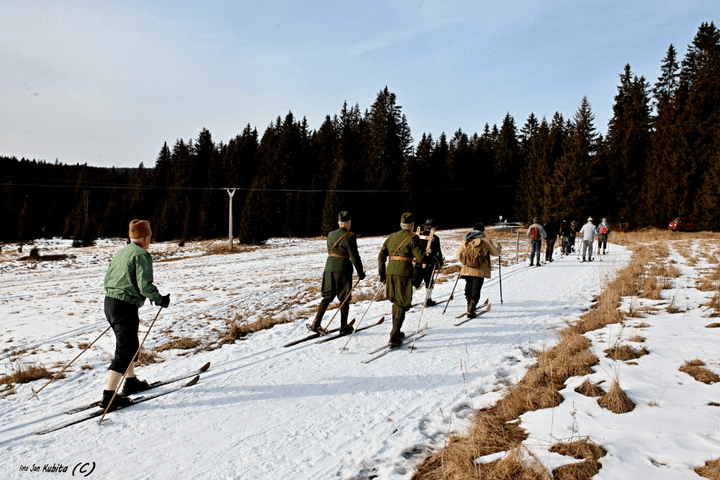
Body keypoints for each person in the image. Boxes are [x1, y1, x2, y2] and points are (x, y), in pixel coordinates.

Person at [102, 220, 170, 410]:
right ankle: (109, 396)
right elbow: (144, 286)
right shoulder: (142, 255)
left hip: (110, 303)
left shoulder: (122, 252)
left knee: (128, 344)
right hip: (124, 306)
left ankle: (130, 382)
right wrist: (159, 299)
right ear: (146, 238)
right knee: (126, 349)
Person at [378, 213, 437, 346]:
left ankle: (397, 331)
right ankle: (393, 335)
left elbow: (381, 255)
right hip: (403, 273)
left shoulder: (392, 236)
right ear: (412, 226)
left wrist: (382, 275)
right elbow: (420, 257)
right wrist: (433, 261)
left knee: (396, 302)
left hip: (390, 272)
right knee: (402, 303)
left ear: (401, 224)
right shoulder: (412, 237)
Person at [307, 211, 365, 335]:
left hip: (329, 267)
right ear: (348, 223)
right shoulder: (350, 236)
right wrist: (360, 272)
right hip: (342, 268)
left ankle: (316, 323)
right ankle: (343, 326)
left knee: (327, 296)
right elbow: (354, 256)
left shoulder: (331, 234)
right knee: (344, 297)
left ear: (339, 223)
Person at [456, 223, 501, 317]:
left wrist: (466, 262)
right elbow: (495, 253)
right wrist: (499, 248)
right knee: (476, 288)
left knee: (469, 285)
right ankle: (471, 309)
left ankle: (469, 305)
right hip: (480, 268)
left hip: (467, 268)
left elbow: (458, 254)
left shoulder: (466, 239)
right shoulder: (485, 239)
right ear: (483, 230)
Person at [412, 219, 444, 307]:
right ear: (433, 228)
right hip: (429, 263)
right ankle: (428, 300)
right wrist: (440, 262)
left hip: (417, 263)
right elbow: (438, 252)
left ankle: (407, 300)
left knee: (415, 281)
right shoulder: (435, 238)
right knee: (429, 281)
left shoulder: (417, 236)